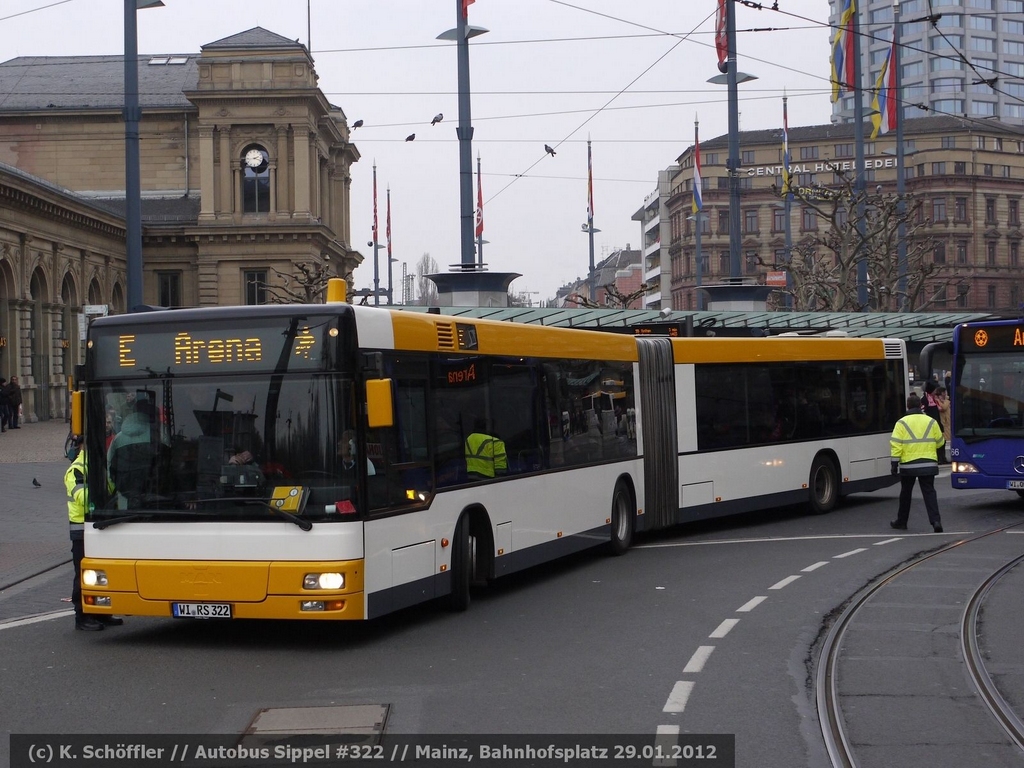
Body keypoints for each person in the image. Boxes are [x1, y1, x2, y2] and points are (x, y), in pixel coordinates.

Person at [65, 435, 124, 631]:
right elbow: (82, 497)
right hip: (81, 531)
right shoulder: (76, 469)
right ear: (81, 446)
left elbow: (112, 489)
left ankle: (101, 613)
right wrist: (102, 490)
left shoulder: (99, 466)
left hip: (100, 526)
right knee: (82, 574)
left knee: (101, 574)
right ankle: (81, 616)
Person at [890, 393, 945, 533]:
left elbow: (896, 445)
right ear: (921, 406)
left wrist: (894, 464)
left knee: (906, 493)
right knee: (929, 493)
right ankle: (936, 521)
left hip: (909, 465)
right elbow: (940, 442)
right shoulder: (931, 421)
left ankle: (902, 521)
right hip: (929, 464)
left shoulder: (901, 423)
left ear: (908, 406)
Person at [935, 386, 952, 464]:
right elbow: (944, 407)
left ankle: (943, 457)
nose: (945, 394)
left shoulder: (944, 400)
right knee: (941, 442)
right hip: (942, 423)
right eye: (944, 392)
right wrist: (947, 401)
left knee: (944, 442)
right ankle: (941, 458)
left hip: (947, 423)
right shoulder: (938, 401)